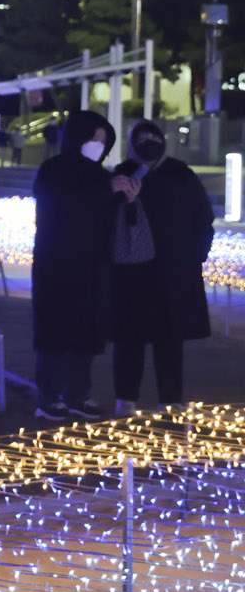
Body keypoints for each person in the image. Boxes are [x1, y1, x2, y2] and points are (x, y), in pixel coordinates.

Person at [108, 119, 213, 412]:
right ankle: (125, 400)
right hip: (132, 274)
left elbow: (203, 218)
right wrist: (125, 200)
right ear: (132, 143)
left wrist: (196, 255)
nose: (149, 143)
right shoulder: (122, 174)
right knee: (129, 340)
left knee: (170, 341)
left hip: (174, 272)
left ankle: (170, 400)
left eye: (154, 137)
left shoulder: (181, 175)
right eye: (142, 138)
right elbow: (110, 223)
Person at [31, 110, 116, 421]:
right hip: (57, 263)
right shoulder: (53, 170)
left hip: (93, 264)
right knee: (54, 330)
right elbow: (62, 203)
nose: (98, 145)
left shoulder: (101, 174)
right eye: (94, 138)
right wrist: (107, 192)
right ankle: (49, 396)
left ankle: (79, 394)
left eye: (103, 141)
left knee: (86, 331)